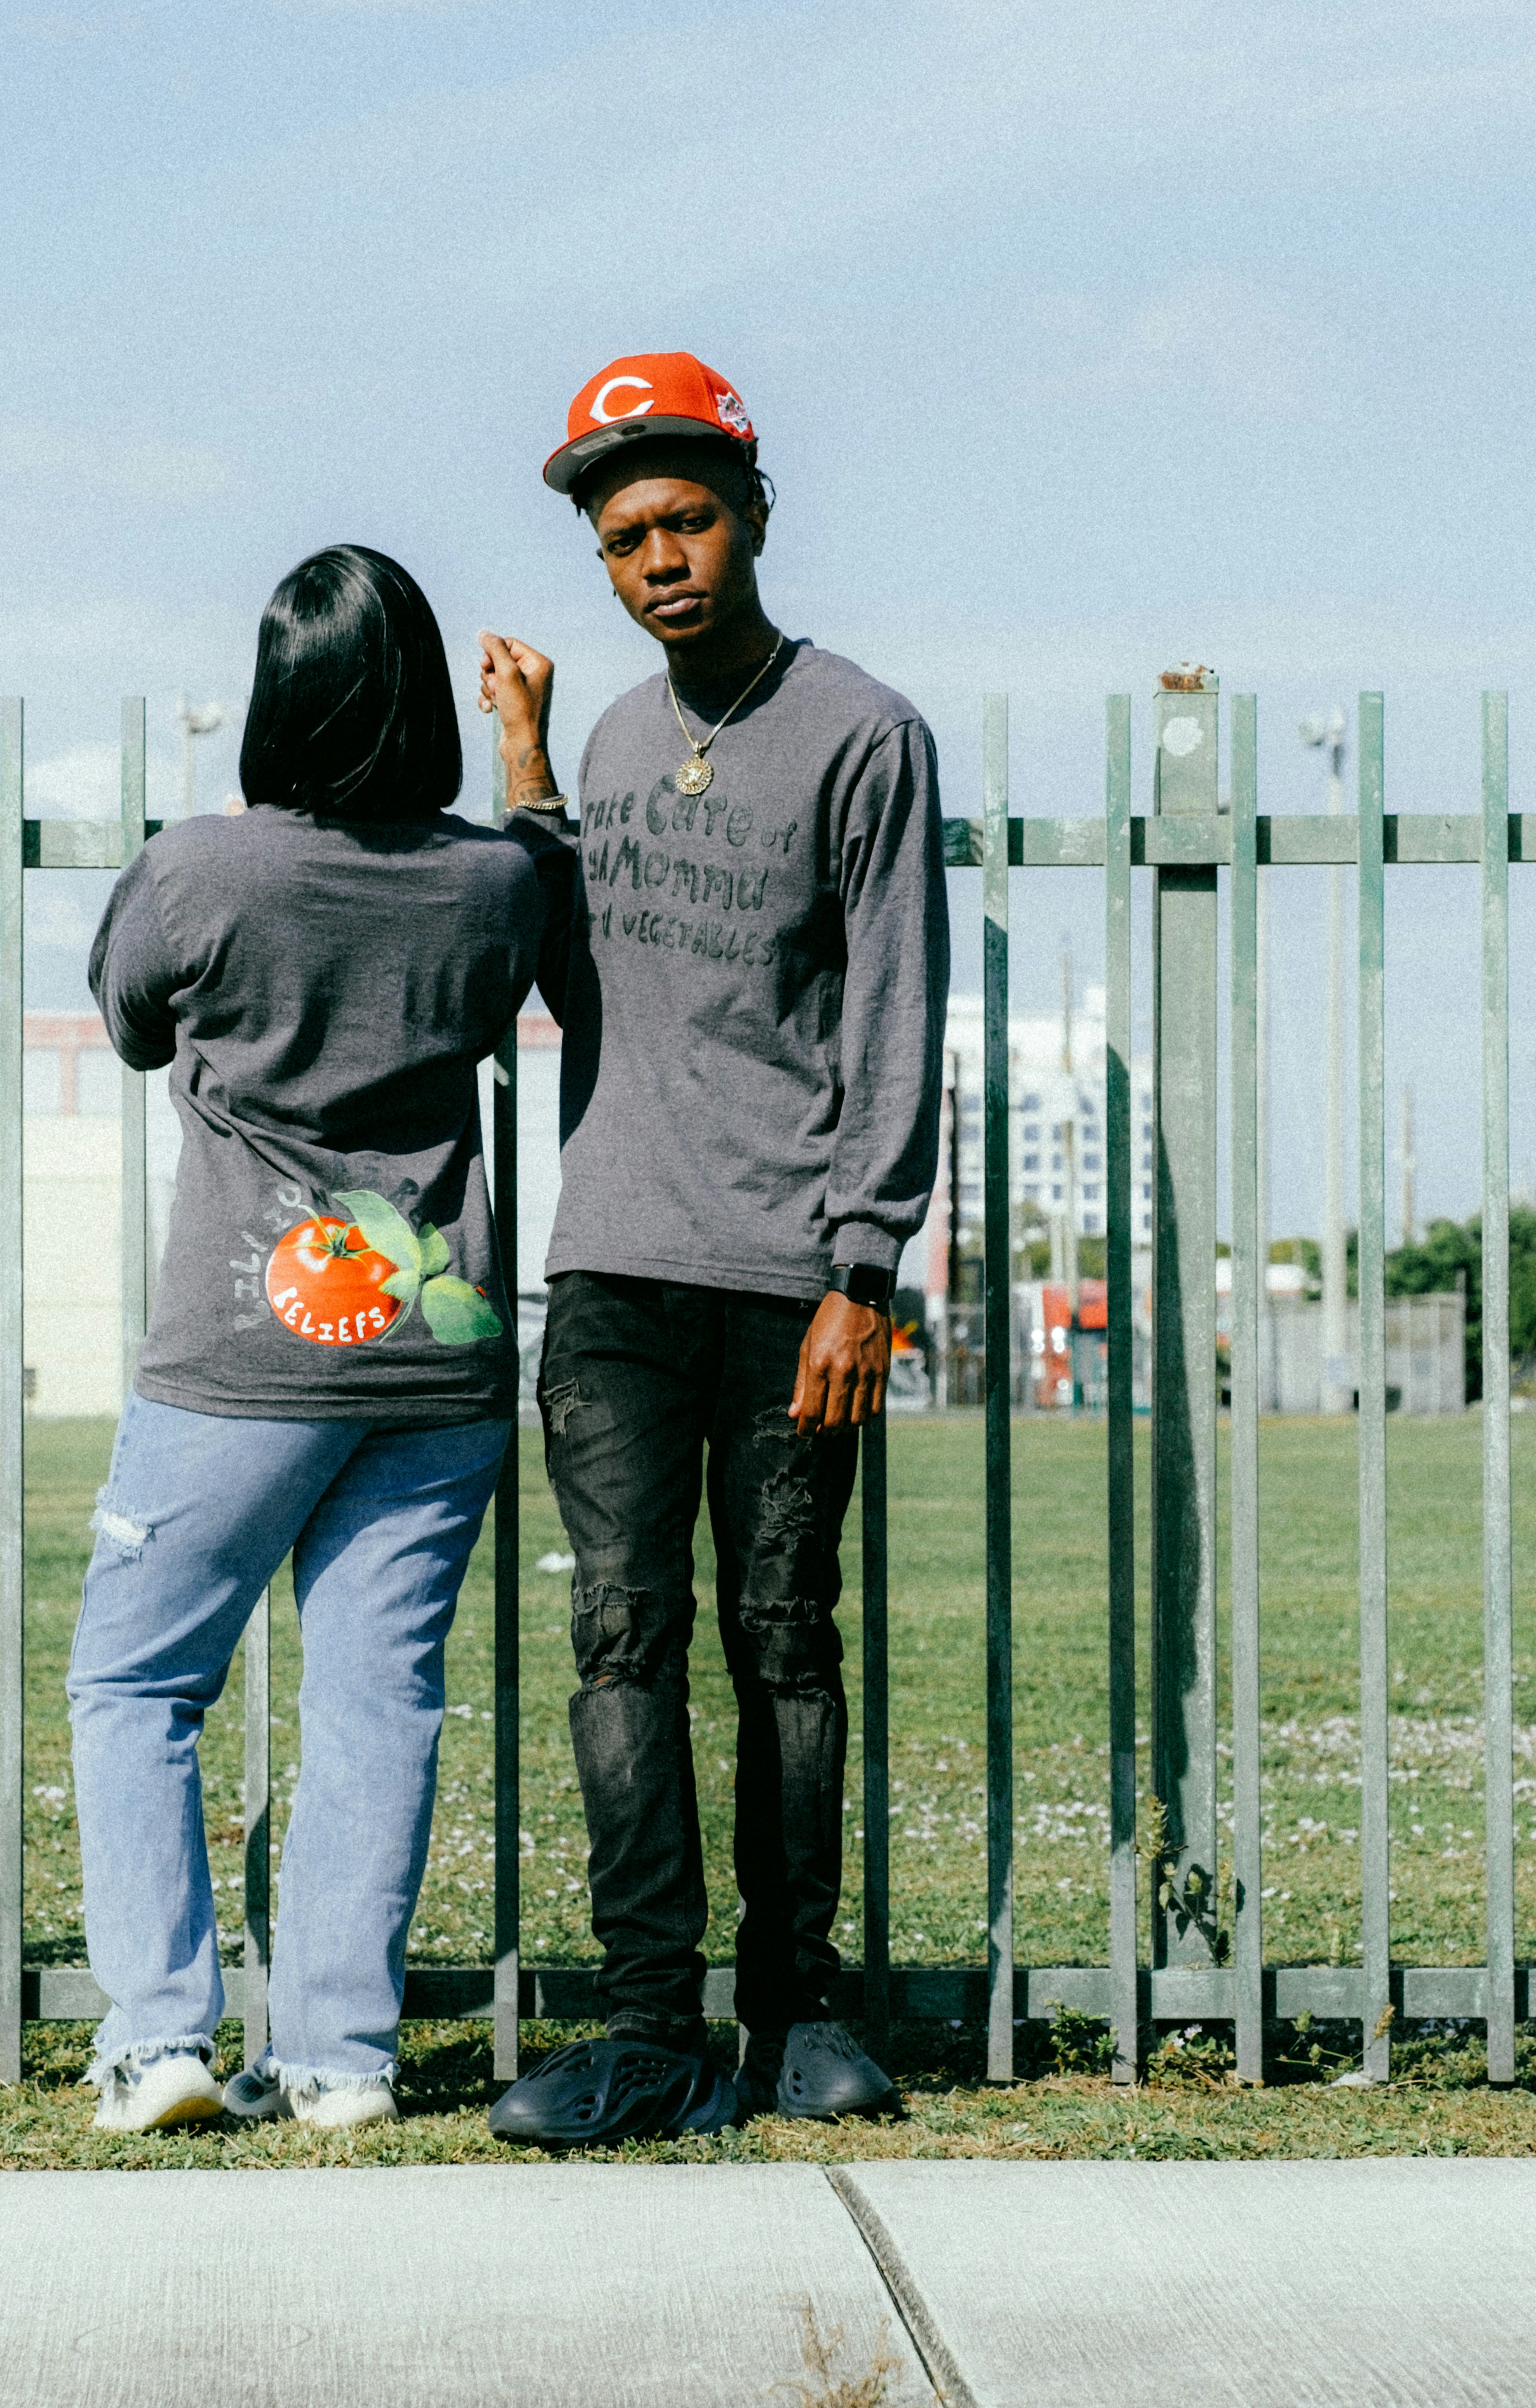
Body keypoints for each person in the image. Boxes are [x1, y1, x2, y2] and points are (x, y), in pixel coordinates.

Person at [476, 352, 949, 2145]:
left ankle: (797, 2011)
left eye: (683, 521)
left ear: (750, 514)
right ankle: (652, 2033)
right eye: (622, 539)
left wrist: (864, 1265)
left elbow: (897, 1005)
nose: (656, 559)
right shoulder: (605, 740)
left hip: (789, 1279)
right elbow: (569, 979)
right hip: (613, 1267)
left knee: (784, 1641)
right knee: (619, 1640)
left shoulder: (860, 732)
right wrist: (520, 761)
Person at [69, 543, 559, 2134]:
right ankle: (340, 2056)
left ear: (276, 698)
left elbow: (133, 1015)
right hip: (438, 1350)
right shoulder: (487, 880)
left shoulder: (198, 868)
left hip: (242, 1349)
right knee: (375, 1698)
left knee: (136, 1685)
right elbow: (541, 886)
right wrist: (526, 754)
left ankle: (160, 2039)